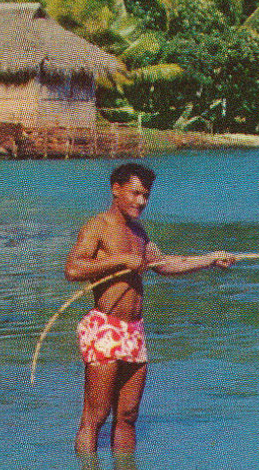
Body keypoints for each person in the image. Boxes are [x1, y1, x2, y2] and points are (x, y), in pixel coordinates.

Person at [65, 163, 234, 453]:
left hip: (134, 331)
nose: (141, 201)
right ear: (116, 190)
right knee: (96, 416)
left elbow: (165, 264)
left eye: (146, 196)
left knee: (128, 416)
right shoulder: (97, 226)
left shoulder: (138, 232)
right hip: (104, 327)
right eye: (135, 193)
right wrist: (120, 260)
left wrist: (210, 258)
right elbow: (73, 268)